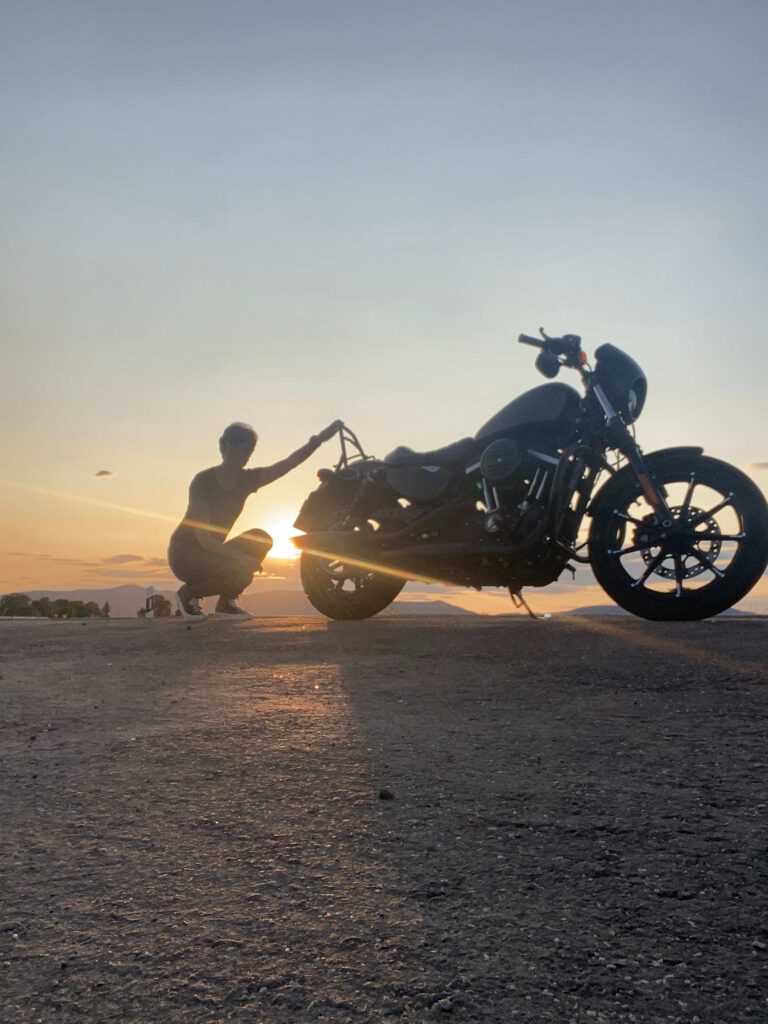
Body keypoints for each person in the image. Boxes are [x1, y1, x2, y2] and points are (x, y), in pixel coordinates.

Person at [168, 419, 342, 619]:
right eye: (236, 447)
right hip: (185, 555)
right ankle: (188, 594)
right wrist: (240, 557)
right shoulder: (203, 481)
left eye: (247, 450)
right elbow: (205, 539)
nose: (241, 455)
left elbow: (287, 464)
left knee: (261, 538)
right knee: (241, 572)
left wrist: (318, 439)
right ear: (223, 446)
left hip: (213, 553)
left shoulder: (247, 480)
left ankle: (227, 603)